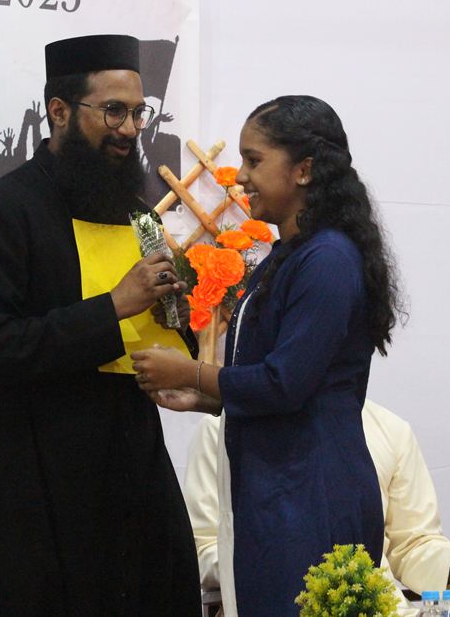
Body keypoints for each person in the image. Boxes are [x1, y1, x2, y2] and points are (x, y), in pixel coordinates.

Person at [0, 34, 200, 616]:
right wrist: (112, 307)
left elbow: (160, 327)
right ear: (59, 111)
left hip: (131, 456)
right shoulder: (4, 211)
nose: (129, 129)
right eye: (113, 111)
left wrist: (176, 320)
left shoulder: (138, 216)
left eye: (138, 113)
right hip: (33, 469)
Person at [131, 95, 400, 615]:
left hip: (312, 497)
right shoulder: (289, 254)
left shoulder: (327, 259)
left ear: (304, 170)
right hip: (278, 492)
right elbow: (282, 383)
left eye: (254, 160)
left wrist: (194, 372)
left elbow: (284, 383)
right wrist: (208, 399)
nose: (240, 177)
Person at [184, 404, 450, 616]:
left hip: (378, 607)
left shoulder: (389, 429)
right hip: (274, 605)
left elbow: (411, 543)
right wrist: (278, 564)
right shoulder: (225, 428)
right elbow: (204, 547)